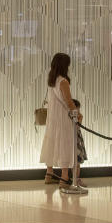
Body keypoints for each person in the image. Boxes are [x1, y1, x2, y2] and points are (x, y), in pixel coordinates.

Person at [39, 53, 85, 194]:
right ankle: (64, 177)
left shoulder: (52, 80)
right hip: (63, 118)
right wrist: (77, 115)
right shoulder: (63, 81)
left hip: (52, 118)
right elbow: (69, 101)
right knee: (64, 144)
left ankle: (49, 173)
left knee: (52, 143)